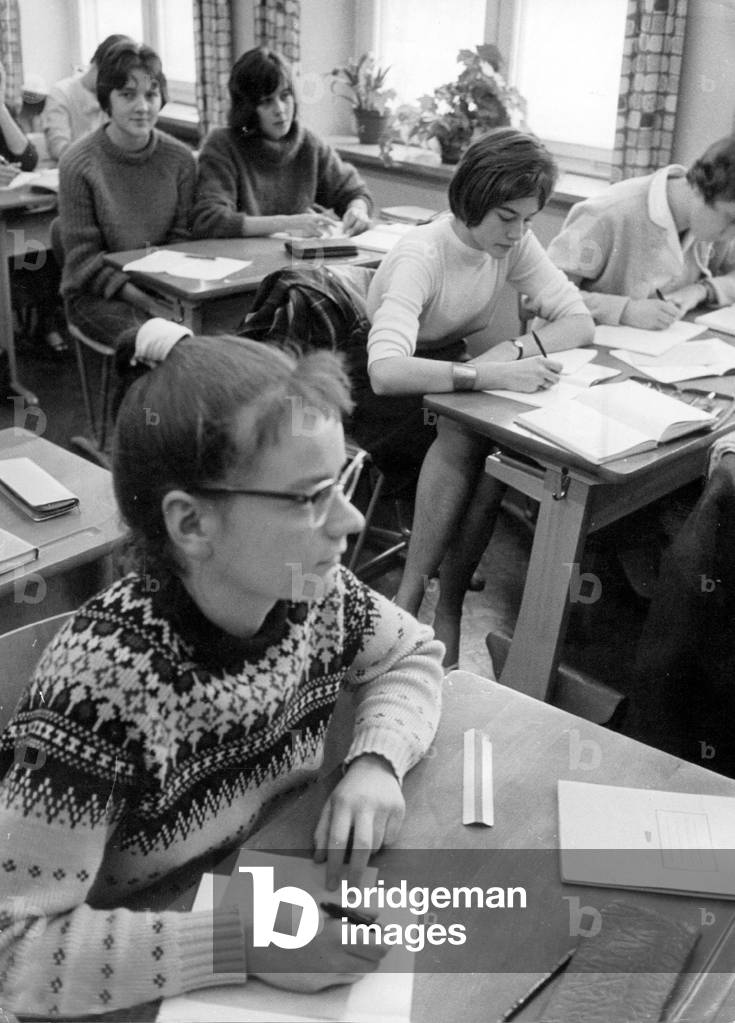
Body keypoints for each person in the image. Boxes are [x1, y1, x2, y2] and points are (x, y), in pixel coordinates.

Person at [0, 334, 444, 1017]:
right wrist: (244, 943)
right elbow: (15, 950)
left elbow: (411, 654)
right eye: (307, 498)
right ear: (191, 522)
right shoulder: (98, 685)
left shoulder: (312, 591)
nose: (352, 522)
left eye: (342, 481)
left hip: (261, 875)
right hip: (139, 971)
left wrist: (377, 759)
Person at [358, 128, 594, 665]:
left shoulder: (508, 243)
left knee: (493, 446)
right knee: (473, 432)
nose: (518, 232)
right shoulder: (423, 252)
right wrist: (486, 377)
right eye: (507, 217)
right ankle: (419, 600)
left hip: (458, 372)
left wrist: (509, 355)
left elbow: (577, 321)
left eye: (529, 219)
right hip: (384, 389)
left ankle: (441, 603)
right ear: (472, 200)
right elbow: (386, 371)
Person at [58, 39, 195, 352]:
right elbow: (84, 262)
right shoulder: (78, 163)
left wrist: (168, 298)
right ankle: (136, 404)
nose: (142, 106)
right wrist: (146, 302)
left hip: (167, 291)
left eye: (151, 94)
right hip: (97, 296)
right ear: (107, 99)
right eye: (127, 95)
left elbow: (183, 241)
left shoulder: (182, 160)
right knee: (164, 347)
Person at [547, 135, 735, 327]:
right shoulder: (608, 213)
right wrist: (624, 310)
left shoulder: (713, 219)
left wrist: (702, 290)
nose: (733, 234)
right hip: (577, 347)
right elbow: (543, 295)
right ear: (699, 188)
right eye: (731, 219)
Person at [192, 47, 373, 239]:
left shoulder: (308, 143)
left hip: (293, 259)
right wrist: (286, 223)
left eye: (285, 96)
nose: (280, 109)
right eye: (266, 101)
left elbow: (354, 191)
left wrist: (357, 210)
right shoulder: (222, 145)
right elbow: (210, 219)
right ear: (247, 108)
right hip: (242, 260)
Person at [43, 33, 132, 162]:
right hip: (73, 171)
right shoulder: (61, 93)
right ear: (95, 63)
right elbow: (58, 149)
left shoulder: (116, 95)